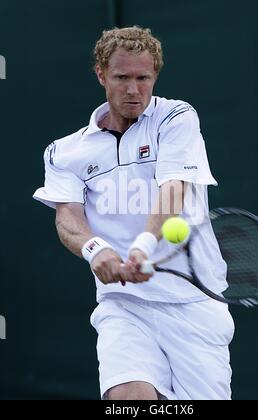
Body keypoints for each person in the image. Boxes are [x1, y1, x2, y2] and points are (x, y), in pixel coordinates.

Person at [33, 26, 234, 400]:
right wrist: (96, 250)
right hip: (123, 303)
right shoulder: (64, 151)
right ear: (100, 75)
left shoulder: (176, 118)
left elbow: (173, 189)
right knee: (127, 399)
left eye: (143, 78)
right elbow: (68, 218)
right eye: (121, 77)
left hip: (193, 301)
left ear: (155, 75)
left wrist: (142, 245)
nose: (133, 89)